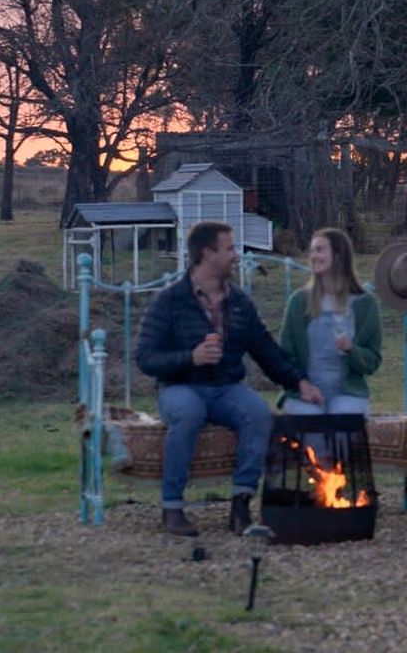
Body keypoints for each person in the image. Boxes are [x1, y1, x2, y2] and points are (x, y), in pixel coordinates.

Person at [137, 221, 324, 537]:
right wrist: (190, 358)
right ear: (207, 253)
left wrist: (299, 382)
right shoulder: (170, 301)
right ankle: (172, 508)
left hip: (225, 388)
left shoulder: (239, 303)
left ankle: (241, 505)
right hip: (180, 387)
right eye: (230, 249)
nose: (236, 256)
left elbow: (265, 350)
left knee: (258, 414)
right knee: (188, 412)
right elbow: (146, 358)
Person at [278, 228, 383, 416]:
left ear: (337, 254)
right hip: (304, 391)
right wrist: (302, 385)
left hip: (348, 392)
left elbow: (372, 361)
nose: (313, 256)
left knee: (342, 420)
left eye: (319, 250)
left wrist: (352, 350)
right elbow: (285, 356)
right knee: (309, 422)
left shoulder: (365, 304)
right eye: (311, 251)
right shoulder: (299, 302)